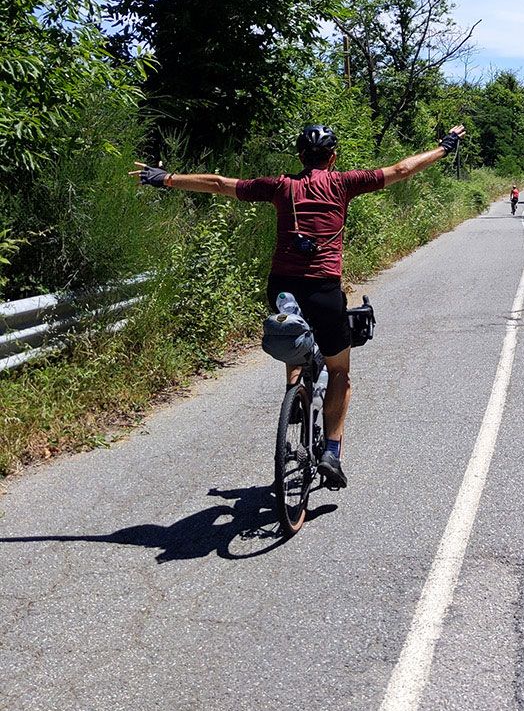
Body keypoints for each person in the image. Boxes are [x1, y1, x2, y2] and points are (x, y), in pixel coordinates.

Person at [130, 123, 465, 489]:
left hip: (282, 286)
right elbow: (401, 169)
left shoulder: (279, 186)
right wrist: (444, 147)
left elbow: (218, 183)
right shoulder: (344, 183)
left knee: (294, 332)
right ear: (333, 158)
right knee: (340, 372)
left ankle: (296, 393)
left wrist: (166, 178)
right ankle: (332, 452)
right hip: (322, 288)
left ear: (300, 157)